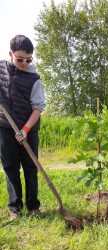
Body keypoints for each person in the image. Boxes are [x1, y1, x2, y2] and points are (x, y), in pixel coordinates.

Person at [0, 35, 45, 220]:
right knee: (10, 166)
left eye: (28, 59)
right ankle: (15, 208)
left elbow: (38, 108)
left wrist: (25, 129)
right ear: (11, 54)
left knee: (30, 167)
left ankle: (33, 207)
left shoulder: (34, 78)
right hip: (4, 126)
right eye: (20, 59)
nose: (24, 63)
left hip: (29, 128)